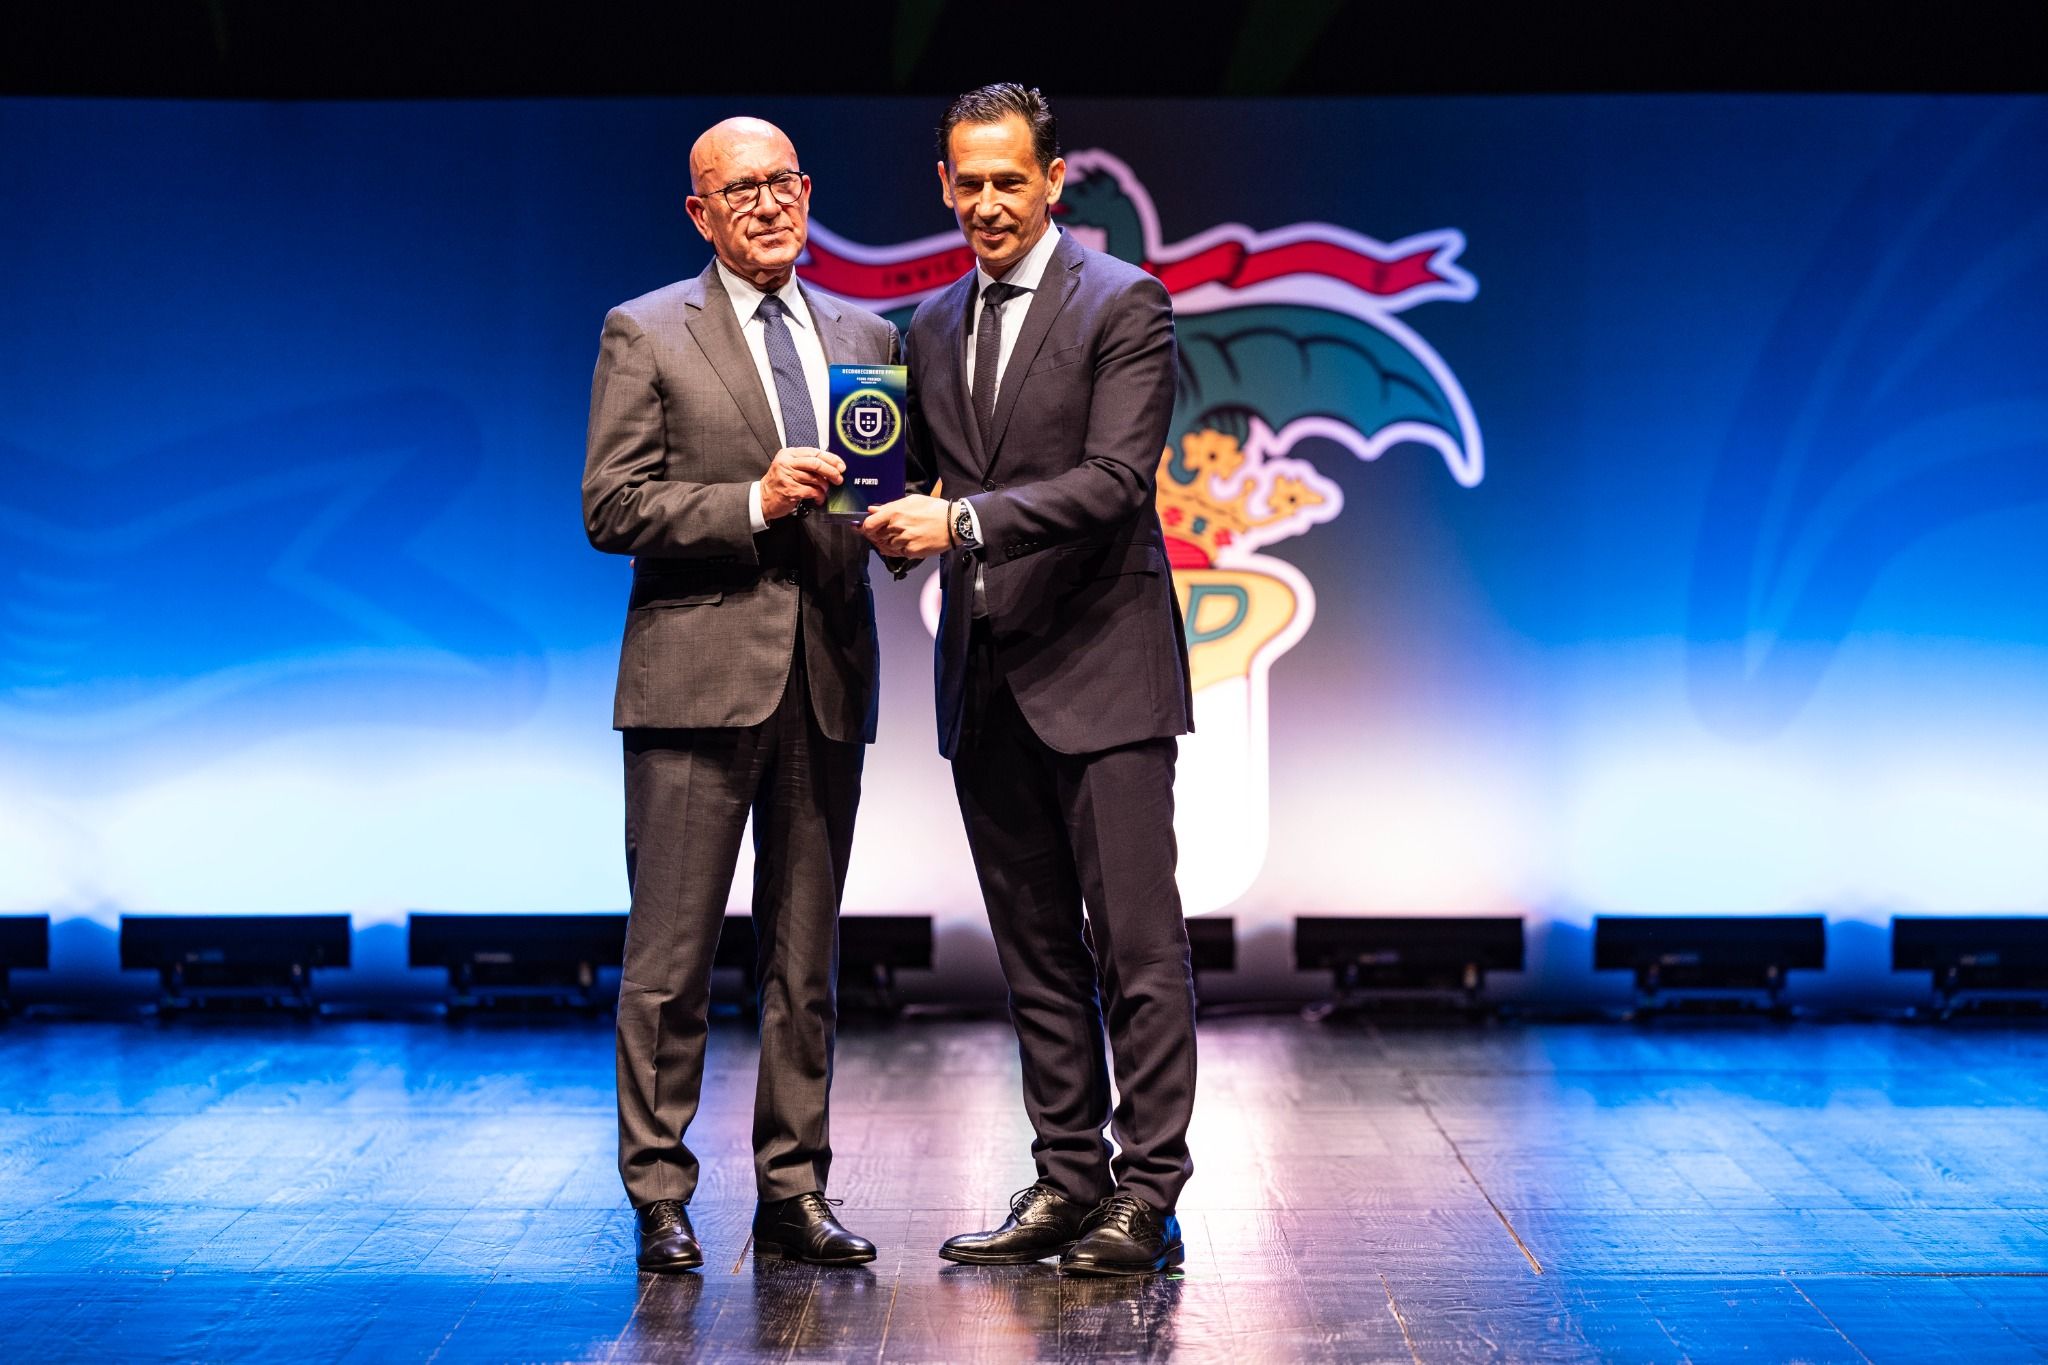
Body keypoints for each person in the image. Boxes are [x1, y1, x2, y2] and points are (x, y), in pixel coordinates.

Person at [860, 83, 1198, 1277]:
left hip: (1102, 671)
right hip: (986, 674)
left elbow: (1114, 482)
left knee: (1136, 951)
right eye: (970, 183)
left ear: (1054, 179)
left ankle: (1147, 1195)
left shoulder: (1123, 302)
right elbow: (904, 478)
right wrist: (857, 506)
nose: (990, 202)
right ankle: (1067, 1178)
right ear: (943, 187)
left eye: (1011, 179)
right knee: (1035, 953)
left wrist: (956, 525)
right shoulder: (927, 326)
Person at [583, 116, 897, 1273]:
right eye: (738, 190)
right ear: (699, 213)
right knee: (668, 965)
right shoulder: (645, 329)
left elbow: (871, 494)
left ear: (805, 193)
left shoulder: (866, 335)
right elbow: (611, 505)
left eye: (780, 184)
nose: (765, 205)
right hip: (694, 684)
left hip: (825, 681)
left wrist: (897, 527)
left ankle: (793, 1191)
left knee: (803, 964)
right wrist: (751, 501)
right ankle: (659, 1193)